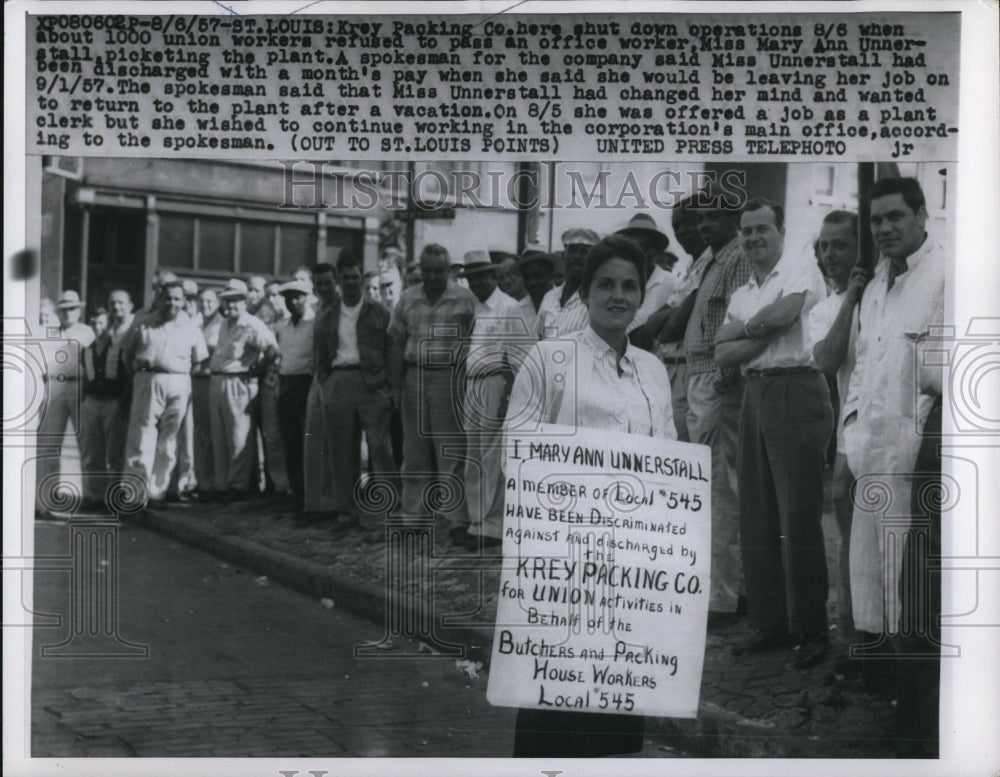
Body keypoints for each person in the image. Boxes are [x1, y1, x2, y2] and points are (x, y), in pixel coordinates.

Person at [506, 234, 674, 757]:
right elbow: (519, 453)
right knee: (557, 698)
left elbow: (668, 460)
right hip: (565, 556)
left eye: (630, 286)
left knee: (618, 694)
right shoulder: (550, 359)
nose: (618, 296)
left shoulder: (653, 369)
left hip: (631, 560)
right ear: (584, 290)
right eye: (605, 284)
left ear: (643, 295)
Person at [715, 198, 833, 668]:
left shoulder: (800, 269)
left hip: (797, 388)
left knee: (797, 516)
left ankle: (810, 628)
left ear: (780, 231)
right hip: (755, 394)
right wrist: (762, 328)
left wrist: (748, 332)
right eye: (746, 232)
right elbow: (722, 354)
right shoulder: (743, 290)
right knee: (757, 514)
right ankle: (771, 623)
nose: (753, 238)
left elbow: (786, 318)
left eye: (762, 229)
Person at [842, 177, 944, 654]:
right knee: (872, 580)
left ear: (922, 215)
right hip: (870, 456)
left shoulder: (946, 274)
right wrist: (850, 441)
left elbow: (943, 375)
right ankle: (881, 683)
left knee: (914, 585)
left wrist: (919, 435)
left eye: (895, 216)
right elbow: (860, 371)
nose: (884, 228)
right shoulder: (874, 288)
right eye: (876, 220)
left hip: (916, 459)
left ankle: (915, 694)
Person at [664, 191, 751, 624]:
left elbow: (738, 322)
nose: (702, 226)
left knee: (719, 488)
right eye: (699, 219)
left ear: (732, 218)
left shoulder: (736, 258)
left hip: (716, 380)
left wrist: (722, 377)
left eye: (713, 217)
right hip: (700, 378)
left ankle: (722, 598)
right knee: (708, 487)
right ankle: (724, 589)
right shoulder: (715, 260)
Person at [389, 244, 477, 535]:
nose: (433, 276)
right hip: (414, 376)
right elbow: (397, 343)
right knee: (413, 450)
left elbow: (475, 343)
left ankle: (455, 518)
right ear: (421, 269)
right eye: (427, 270)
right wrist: (395, 387)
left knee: (449, 450)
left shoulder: (465, 300)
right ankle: (413, 516)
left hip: (448, 378)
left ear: (449, 270)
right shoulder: (407, 299)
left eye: (439, 270)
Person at [807, 210, 865, 639]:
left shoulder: (887, 292)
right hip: (851, 433)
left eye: (839, 244)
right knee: (850, 538)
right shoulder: (826, 308)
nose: (829, 254)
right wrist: (850, 300)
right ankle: (850, 636)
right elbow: (827, 360)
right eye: (824, 246)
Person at [313, 254, 396, 531]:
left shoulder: (379, 312)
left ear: (362, 279)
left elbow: (391, 349)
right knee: (341, 452)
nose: (351, 282)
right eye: (346, 277)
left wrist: (388, 386)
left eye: (355, 277)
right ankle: (347, 512)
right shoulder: (327, 315)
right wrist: (326, 384)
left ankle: (382, 511)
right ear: (339, 280)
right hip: (339, 380)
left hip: (372, 383)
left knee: (379, 449)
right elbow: (320, 357)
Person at [121, 281, 208, 510]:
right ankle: (134, 496)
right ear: (160, 298)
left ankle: (157, 492)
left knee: (169, 439)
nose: (172, 303)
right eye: (168, 298)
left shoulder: (190, 326)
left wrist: (181, 379)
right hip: (147, 378)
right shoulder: (143, 323)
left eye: (177, 299)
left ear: (184, 301)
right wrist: (141, 378)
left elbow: (199, 361)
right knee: (141, 437)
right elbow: (127, 356)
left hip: (179, 381)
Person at [457, 251, 520, 550]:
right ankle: (476, 521)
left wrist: (507, 393)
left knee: (493, 457)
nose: (476, 282)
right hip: (473, 385)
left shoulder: (508, 307)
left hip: (495, 382)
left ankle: (492, 526)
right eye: (471, 277)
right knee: (474, 455)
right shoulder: (477, 308)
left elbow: (513, 356)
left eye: (482, 275)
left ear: (493, 276)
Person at [208, 279, 279, 501]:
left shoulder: (252, 323)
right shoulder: (222, 323)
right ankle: (223, 485)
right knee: (219, 437)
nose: (230, 305)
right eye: (227, 301)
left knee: (240, 436)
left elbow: (272, 349)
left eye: (235, 301)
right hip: (218, 379)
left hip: (239, 381)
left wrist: (256, 368)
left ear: (244, 301)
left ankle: (240, 486)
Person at [35, 290, 96, 520]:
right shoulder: (49, 332)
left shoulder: (88, 333)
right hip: (55, 386)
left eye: (72, 308)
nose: (68, 312)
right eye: (63, 309)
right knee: (48, 443)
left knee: (87, 443)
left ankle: (90, 496)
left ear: (79, 310)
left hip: (80, 386)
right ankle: (45, 501)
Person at [79, 294, 132, 510]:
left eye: (101, 322)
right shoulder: (87, 349)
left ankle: (113, 498)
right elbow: (84, 377)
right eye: (93, 322)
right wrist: (84, 401)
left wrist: (121, 401)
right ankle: (95, 496)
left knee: (114, 453)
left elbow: (128, 378)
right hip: (92, 402)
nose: (97, 326)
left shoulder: (119, 349)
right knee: (93, 452)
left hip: (112, 403)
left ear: (108, 324)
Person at [273, 280, 316, 512]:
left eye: (297, 296)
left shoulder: (315, 322)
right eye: (289, 297)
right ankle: (298, 495)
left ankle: (312, 497)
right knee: (290, 443)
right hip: (286, 384)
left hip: (306, 384)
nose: (293, 301)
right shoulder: (283, 326)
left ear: (307, 297)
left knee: (308, 441)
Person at [302, 263, 340, 517]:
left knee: (333, 443)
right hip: (318, 378)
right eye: (320, 284)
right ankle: (314, 502)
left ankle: (332, 502)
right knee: (313, 440)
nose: (324, 288)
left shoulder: (341, 308)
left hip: (336, 377)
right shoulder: (317, 309)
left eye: (328, 282)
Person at [615, 213, 678, 345]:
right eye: (632, 247)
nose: (637, 253)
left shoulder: (669, 284)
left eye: (644, 248)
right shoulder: (618, 283)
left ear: (655, 251)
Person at [536, 228, 598, 339]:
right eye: (573, 250)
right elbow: (540, 336)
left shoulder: (596, 299)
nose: (577, 257)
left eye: (584, 252)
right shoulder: (550, 297)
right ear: (564, 255)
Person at [192, 288, 223, 498]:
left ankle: (213, 482)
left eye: (210, 301)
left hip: (210, 379)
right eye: (202, 301)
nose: (206, 305)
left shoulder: (221, 323)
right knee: (200, 432)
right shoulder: (196, 322)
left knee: (212, 431)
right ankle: (202, 481)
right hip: (195, 380)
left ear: (218, 303)